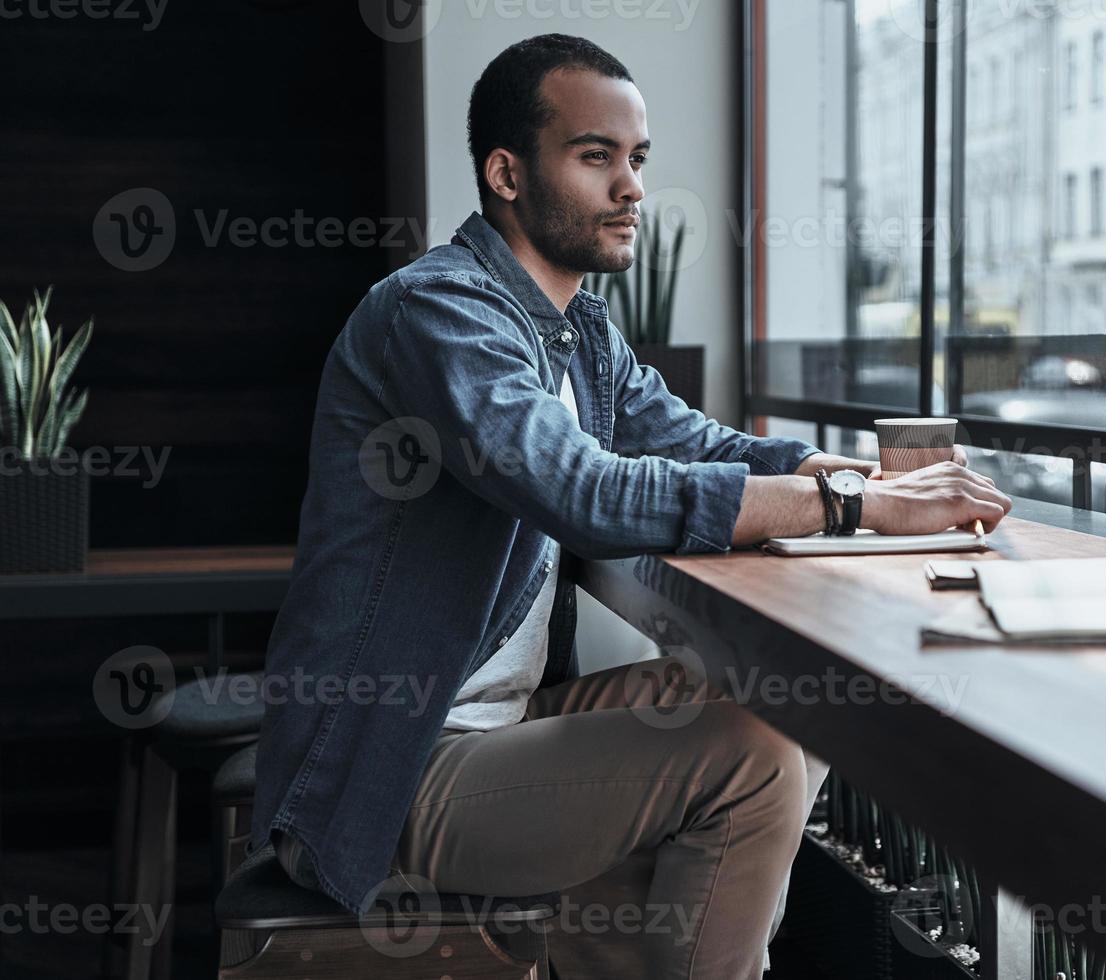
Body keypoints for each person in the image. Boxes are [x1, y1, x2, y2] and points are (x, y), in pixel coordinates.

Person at [248, 33, 1011, 979]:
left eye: (637, 159)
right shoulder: (438, 311)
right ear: (507, 172)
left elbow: (692, 440)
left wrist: (863, 476)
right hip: (389, 769)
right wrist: (850, 510)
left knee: (796, 704)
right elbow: (580, 489)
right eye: (594, 155)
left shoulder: (575, 331)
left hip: (502, 728)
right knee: (747, 759)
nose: (632, 188)